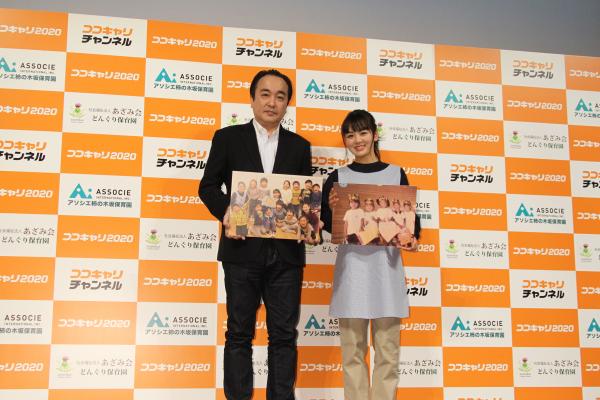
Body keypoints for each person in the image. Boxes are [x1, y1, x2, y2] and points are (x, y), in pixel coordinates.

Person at [198, 69, 312, 400]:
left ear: (287, 104)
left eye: (280, 96)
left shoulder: (300, 146)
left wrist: (306, 221)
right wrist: (228, 213)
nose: (272, 102)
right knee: (238, 334)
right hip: (241, 251)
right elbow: (208, 186)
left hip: (286, 257)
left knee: (284, 337)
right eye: (265, 94)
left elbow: (304, 199)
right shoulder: (227, 138)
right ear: (252, 99)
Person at [320, 109, 420, 400]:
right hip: (351, 274)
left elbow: (411, 222)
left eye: (363, 132)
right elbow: (326, 225)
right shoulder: (337, 178)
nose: (357, 140)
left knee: (388, 353)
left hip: (386, 273)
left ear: (375, 135)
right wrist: (330, 207)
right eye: (350, 135)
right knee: (352, 353)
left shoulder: (396, 173)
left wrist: (412, 238)